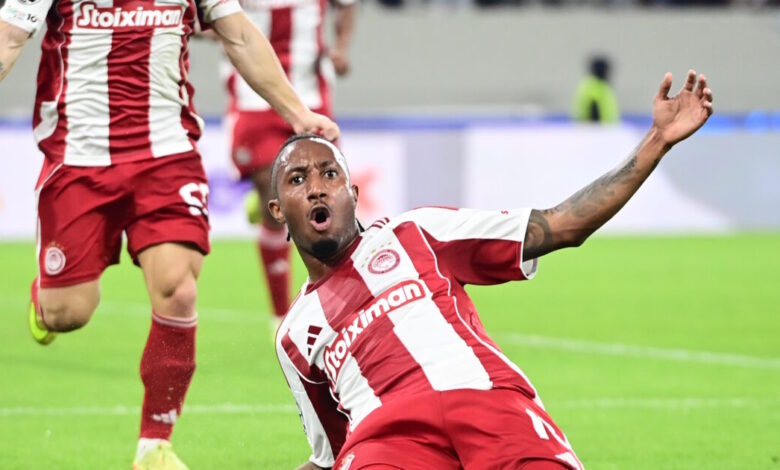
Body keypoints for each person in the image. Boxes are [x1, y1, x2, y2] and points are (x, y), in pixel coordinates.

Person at [271, 70, 713, 469]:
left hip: (484, 398)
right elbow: (330, 456)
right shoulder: (293, 335)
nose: (316, 189)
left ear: (353, 192)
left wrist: (657, 139)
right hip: (388, 437)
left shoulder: (416, 231)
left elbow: (563, 224)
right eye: (298, 179)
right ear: (277, 210)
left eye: (330, 174)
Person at [0, 0, 338, 467]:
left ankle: (154, 444)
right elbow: (9, 37)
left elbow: (239, 35)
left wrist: (296, 112)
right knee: (67, 314)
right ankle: (46, 296)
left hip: (167, 157)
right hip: (79, 162)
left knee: (179, 290)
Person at [224, 0, 356, 333]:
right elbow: (200, 17)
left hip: (310, 96)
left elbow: (347, 5)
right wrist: (218, 28)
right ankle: (281, 316)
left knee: (327, 200)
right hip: (253, 100)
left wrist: (341, 47)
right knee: (274, 199)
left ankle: (338, 304)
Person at [572, 55, 620, 124]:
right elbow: (594, 117)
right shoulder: (595, 88)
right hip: (598, 129)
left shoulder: (596, 86)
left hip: (604, 129)